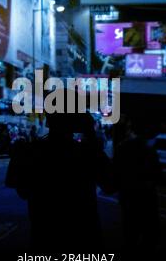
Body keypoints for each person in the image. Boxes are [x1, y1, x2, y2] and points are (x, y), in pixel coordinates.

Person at [6, 95, 113, 252]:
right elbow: (111, 185)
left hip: (44, 238)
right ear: (79, 119)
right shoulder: (87, 153)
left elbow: (22, 191)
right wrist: (90, 133)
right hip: (84, 239)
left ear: (49, 118)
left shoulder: (28, 151)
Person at [113, 117, 162, 252]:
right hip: (146, 194)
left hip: (128, 193)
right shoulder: (149, 149)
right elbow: (157, 173)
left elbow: (115, 171)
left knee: (130, 231)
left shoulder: (122, 147)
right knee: (149, 233)